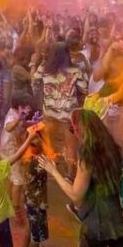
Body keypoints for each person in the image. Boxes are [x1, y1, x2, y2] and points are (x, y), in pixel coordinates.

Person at [39, 110, 123, 247]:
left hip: (99, 223)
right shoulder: (113, 146)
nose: (73, 133)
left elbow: (76, 195)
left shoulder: (88, 153)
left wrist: (54, 172)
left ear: (80, 130)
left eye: (73, 129)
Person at [33, 41, 86, 177]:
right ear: (67, 55)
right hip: (68, 116)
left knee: (49, 143)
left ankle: (50, 167)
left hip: (49, 113)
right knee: (71, 146)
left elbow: (34, 82)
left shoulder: (44, 68)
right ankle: (69, 174)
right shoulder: (76, 71)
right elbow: (84, 89)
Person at [18, 127, 51, 247]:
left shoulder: (29, 156)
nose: (42, 140)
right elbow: (52, 163)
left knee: (30, 228)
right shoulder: (34, 161)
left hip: (31, 200)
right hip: (36, 202)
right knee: (37, 236)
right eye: (38, 138)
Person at [0, 93, 35, 222]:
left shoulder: (16, 113)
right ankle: (15, 209)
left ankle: (7, 202)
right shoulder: (13, 116)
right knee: (18, 180)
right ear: (19, 107)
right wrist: (19, 119)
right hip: (11, 151)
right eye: (28, 107)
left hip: (8, 149)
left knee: (10, 177)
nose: (30, 109)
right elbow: (8, 128)